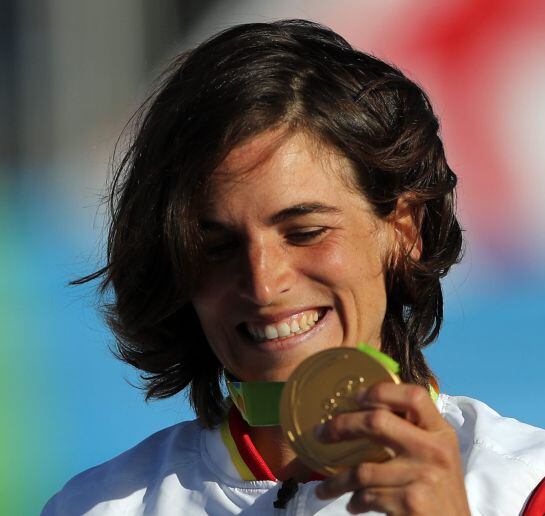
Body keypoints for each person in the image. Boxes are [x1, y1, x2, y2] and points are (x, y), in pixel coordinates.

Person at [42, 19, 545, 515]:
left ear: (405, 230)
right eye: (217, 246)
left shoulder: (523, 490)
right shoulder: (96, 506)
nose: (264, 283)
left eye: (305, 232)